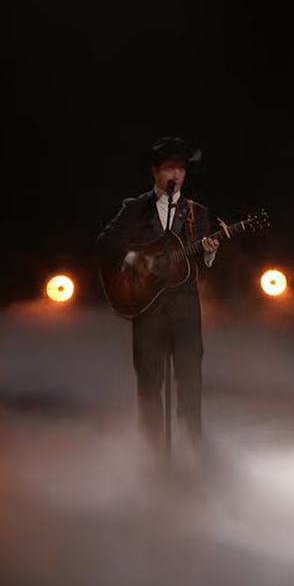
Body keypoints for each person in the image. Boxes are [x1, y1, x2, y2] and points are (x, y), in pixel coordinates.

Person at [96, 137, 225, 461]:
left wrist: (210, 253)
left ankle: (193, 443)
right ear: (155, 171)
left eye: (181, 169)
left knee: (190, 376)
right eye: (169, 168)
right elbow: (106, 243)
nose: (176, 175)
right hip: (147, 304)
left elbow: (201, 259)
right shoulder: (134, 208)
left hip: (184, 306)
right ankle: (151, 449)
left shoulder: (197, 212)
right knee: (150, 378)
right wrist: (135, 260)